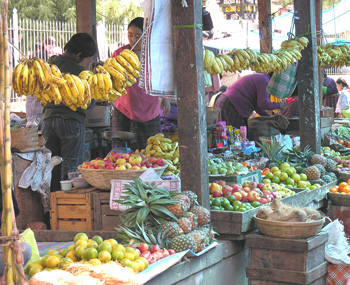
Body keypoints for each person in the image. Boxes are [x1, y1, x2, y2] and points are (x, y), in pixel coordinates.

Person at [41, 33, 97, 192]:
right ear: (79, 55)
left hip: (48, 121)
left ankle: (51, 206)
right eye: (84, 58)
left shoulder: (48, 65)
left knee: (52, 165)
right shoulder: (79, 72)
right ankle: (68, 208)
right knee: (71, 168)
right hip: (71, 122)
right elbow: (89, 102)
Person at [110, 17, 170, 151]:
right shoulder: (119, 54)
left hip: (150, 107)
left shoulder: (155, 54)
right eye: (130, 36)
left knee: (150, 150)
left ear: (147, 35)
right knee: (120, 151)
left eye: (138, 36)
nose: (133, 40)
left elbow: (163, 77)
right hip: (123, 107)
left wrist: (165, 98)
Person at [214, 73, 284, 128]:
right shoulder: (265, 81)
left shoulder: (264, 79)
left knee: (235, 136)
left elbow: (258, 107)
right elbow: (263, 103)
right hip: (231, 104)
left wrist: (270, 118)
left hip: (227, 102)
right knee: (236, 138)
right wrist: (279, 105)